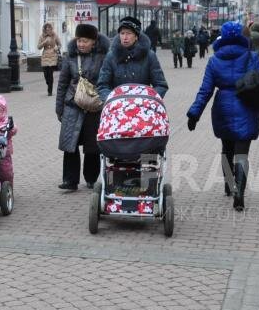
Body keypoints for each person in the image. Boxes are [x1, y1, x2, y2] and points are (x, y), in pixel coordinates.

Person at [186, 21, 259, 211]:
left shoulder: (214, 60)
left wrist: (194, 114)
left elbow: (205, 91)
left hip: (223, 107)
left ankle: (229, 184)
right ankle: (240, 193)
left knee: (226, 149)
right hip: (246, 105)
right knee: (242, 153)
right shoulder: (251, 56)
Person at [56, 22, 111, 190]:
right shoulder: (70, 57)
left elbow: (108, 81)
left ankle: (91, 178)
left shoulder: (104, 57)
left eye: (85, 41)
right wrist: (59, 107)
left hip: (95, 106)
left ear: (94, 41)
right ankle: (70, 181)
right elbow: (62, 83)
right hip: (72, 105)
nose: (81, 44)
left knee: (92, 145)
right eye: (79, 40)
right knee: (69, 145)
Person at [97, 15, 168, 102]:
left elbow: (160, 85)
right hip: (117, 108)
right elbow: (102, 85)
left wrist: (148, 100)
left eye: (129, 33)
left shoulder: (149, 56)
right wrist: (112, 100)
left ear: (136, 36)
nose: (125, 37)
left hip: (143, 108)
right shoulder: (111, 56)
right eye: (122, 33)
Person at [0, 93, 17, 184]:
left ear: (3, 112)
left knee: (6, 171)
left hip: (3, 152)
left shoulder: (6, 122)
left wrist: (11, 129)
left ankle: (8, 185)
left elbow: (13, 131)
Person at [37, 23, 61, 96]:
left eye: (49, 28)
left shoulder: (55, 35)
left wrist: (56, 48)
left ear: (51, 28)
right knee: (46, 74)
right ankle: (48, 83)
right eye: (46, 28)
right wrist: (44, 42)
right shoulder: (42, 36)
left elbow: (59, 44)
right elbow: (38, 47)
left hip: (53, 56)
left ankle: (49, 90)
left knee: (50, 74)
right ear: (44, 29)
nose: (48, 30)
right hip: (45, 56)